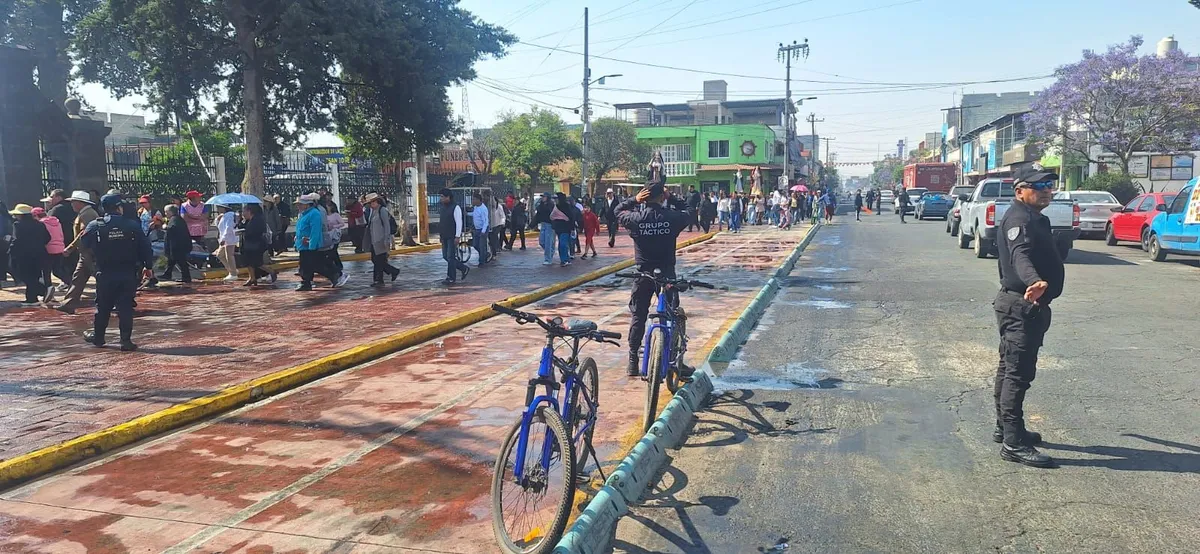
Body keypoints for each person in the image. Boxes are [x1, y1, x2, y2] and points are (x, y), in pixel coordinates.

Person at [992, 165, 1066, 469]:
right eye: (1038, 186)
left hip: (1023, 305)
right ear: (1019, 190)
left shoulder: (1034, 217)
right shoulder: (1019, 220)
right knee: (1017, 374)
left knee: (1009, 368)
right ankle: (1013, 444)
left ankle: (1006, 428)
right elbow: (1019, 254)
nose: (1046, 191)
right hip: (1021, 305)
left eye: (1049, 185)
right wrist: (1034, 281)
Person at [615, 182, 689, 377]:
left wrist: (634, 200)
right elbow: (689, 211)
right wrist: (672, 198)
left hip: (643, 274)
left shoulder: (636, 218)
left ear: (644, 197)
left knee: (638, 315)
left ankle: (633, 361)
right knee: (673, 314)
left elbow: (617, 211)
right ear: (662, 197)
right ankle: (674, 360)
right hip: (666, 274)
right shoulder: (671, 217)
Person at [79, 194, 154, 351]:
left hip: (105, 272)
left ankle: (99, 338)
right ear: (119, 207)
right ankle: (125, 341)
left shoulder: (95, 225)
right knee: (125, 307)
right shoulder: (131, 225)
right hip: (127, 272)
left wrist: (93, 266)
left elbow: (83, 246)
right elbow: (145, 246)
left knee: (103, 306)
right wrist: (148, 266)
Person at [56, 191, 101, 314]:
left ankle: (117, 301)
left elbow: (83, 234)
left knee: (100, 277)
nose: (71, 204)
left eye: (73, 202)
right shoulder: (85, 213)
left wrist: (70, 248)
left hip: (90, 252)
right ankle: (68, 304)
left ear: (80, 203)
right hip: (85, 252)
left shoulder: (87, 214)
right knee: (78, 278)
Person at [294, 193, 342, 291]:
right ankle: (306, 282)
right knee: (306, 265)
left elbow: (315, 231)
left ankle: (334, 274)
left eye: (301, 204)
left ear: (308, 204)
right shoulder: (303, 214)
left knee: (315, 264)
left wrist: (312, 244)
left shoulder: (314, 213)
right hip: (303, 244)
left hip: (310, 244)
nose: (298, 206)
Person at [9, 204, 50, 305]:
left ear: (21, 215)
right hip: (40, 254)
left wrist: (11, 250)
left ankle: (43, 290)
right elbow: (48, 238)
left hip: (24, 255)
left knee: (24, 276)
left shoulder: (18, 225)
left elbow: (16, 240)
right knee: (34, 275)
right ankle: (32, 298)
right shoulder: (40, 224)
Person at [360, 193, 400, 286]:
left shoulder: (382, 210)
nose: (370, 205)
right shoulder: (372, 211)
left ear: (376, 201)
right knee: (375, 260)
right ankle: (391, 272)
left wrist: (386, 240)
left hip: (381, 240)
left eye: (371, 203)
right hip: (374, 240)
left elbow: (386, 226)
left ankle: (379, 280)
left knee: (379, 260)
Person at [42, 189, 75, 286]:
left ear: (59, 197)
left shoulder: (56, 209)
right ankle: (70, 282)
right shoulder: (72, 207)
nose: (50, 199)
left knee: (58, 267)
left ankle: (69, 283)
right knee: (72, 262)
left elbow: (46, 223)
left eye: (52, 197)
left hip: (60, 240)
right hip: (73, 238)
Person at [437, 188, 470, 285]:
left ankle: (451, 277)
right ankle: (463, 268)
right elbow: (442, 221)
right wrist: (441, 235)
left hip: (452, 236)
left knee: (450, 257)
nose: (441, 198)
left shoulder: (455, 207)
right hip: (444, 235)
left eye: (442, 196)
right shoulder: (442, 207)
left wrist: (457, 236)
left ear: (448, 197)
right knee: (445, 256)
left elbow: (459, 222)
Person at [32, 207, 65, 304]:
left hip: (48, 249)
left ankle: (49, 291)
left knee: (45, 272)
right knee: (57, 270)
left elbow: (44, 238)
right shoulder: (57, 222)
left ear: (35, 216)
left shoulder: (41, 224)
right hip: (59, 248)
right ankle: (72, 284)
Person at [238, 204, 274, 286]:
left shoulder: (258, 220)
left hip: (256, 245)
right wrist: (241, 220)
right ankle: (252, 278)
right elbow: (241, 226)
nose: (243, 213)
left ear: (249, 211)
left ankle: (271, 271)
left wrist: (245, 232)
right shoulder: (248, 220)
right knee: (248, 262)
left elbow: (255, 232)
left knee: (257, 263)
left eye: (244, 211)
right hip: (248, 245)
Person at [159, 204, 193, 283]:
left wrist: (165, 227)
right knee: (171, 260)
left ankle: (186, 277)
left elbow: (172, 228)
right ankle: (167, 274)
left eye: (166, 212)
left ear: (170, 212)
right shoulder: (176, 219)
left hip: (178, 246)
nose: (165, 214)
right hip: (176, 245)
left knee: (181, 261)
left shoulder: (175, 219)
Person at [212, 204, 239, 283]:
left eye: (219, 207)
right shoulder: (224, 216)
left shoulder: (229, 215)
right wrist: (217, 219)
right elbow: (219, 226)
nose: (217, 209)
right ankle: (232, 270)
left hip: (229, 238)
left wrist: (224, 238)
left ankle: (233, 274)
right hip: (225, 238)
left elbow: (228, 227)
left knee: (229, 255)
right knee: (220, 254)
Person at [549, 193, 575, 266]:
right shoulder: (555, 207)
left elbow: (571, 218)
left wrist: (572, 228)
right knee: (561, 245)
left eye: (556, 199)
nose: (555, 200)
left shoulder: (567, 207)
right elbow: (552, 217)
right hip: (558, 229)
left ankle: (564, 260)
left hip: (566, 228)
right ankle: (565, 259)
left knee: (562, 244)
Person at [534, 193, 555, 265]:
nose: (543, 198)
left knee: (548, 242)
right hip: (543, 225)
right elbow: (537, 215)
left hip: (549, 225)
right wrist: (532, 224)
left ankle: (548, 259)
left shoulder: (551, 205)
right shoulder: (541, 205)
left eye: (544, 197)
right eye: (542, 197)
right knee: (542, 242)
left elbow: (553, 215)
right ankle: (551, 251)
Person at [470, 193, 490, 266]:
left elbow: (486, 221)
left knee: (482, 246)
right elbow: (475, 214)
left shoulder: (483, 209)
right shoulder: (476, 207)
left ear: (478, 200)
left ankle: (482, 261)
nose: (473, 201)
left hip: (482, 229)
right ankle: (484, 254)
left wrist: (483, 231)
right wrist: (468, 214)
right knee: (475, 245)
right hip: (477, 229)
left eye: (474, 199)